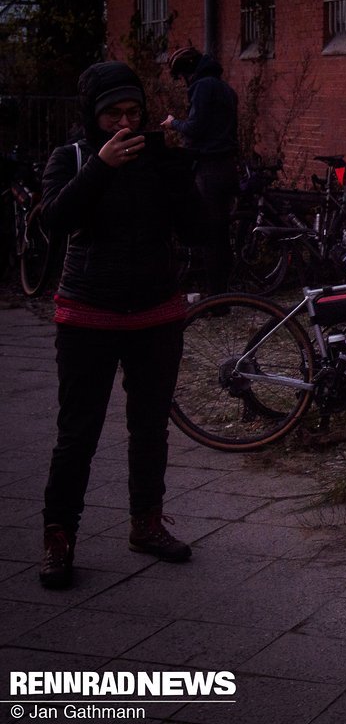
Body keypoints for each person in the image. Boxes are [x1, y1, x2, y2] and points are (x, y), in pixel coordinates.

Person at [38, 61, 205, 589]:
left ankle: (146, 524)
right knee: (77, 434)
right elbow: (55, 220)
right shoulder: (73, 157)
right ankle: (59, 538)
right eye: (113, 114)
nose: (126, 124)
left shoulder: (158, 161)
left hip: (155, 310)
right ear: (94, 117)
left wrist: (180, 171)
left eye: (134, 112)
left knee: (150, 428)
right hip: (88, 311)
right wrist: (101, 167)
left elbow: (200, 229)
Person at [161, 46, 239, 295]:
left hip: (209, 167)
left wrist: (174, 123)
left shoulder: (203, 87)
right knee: (221, 233)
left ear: (187, 71)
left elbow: (196, 127)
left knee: (209, 233)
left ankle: (214, 297)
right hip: (227, 165)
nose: (184, 82)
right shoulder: (225, 88)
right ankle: (221, 291)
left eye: (182, 76)